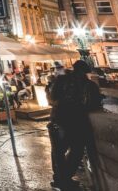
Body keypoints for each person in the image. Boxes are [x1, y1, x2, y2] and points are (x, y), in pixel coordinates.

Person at [48, 60, 103, 190]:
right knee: (76, 150)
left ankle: (60, 178)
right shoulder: (89, 85)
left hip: (59, 118)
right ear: (85, 72)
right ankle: (64, 178)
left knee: (58, 151)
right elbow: (94, 103)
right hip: (77, 121)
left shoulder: (61, 80)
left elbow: (52, 97)